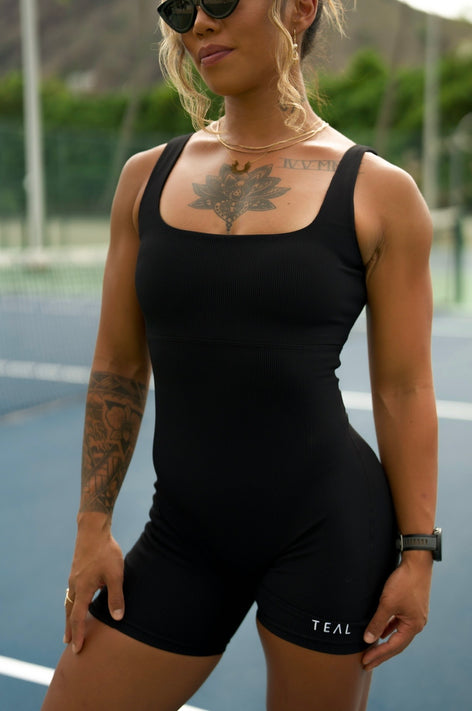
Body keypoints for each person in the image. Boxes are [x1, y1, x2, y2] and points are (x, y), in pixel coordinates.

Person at [41, 1, 439, 710]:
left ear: (300, 8)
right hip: (184, 533)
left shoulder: (380, 193)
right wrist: (92, 528)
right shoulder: (146, 177)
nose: (197, 22)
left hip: (329, 533)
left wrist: (418, 554)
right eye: (179, 6)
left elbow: (403, 388)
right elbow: (119, 367)